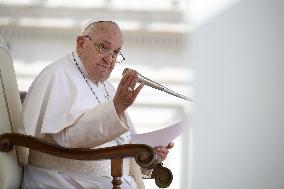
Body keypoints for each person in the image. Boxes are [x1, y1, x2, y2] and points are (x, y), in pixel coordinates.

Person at [18, 21, 174, 189]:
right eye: (103, 47)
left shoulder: (107, 87)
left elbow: (123, 142)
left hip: (104, 180)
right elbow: (67, 139)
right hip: (63, 179)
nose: (110, 58)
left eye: (115, 52)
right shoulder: (57, 75)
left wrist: (148, 153)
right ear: (81, 43)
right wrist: (116, 108)